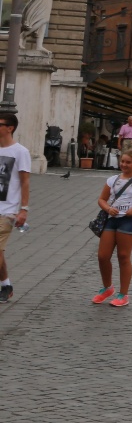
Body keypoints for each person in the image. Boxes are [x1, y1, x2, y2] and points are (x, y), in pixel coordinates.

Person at [92, 150, 132, 308]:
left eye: (128, 162)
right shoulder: (112, 180)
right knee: (103, 255)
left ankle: (124, 294)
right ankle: (108, 288)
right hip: (112, 219)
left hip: (128, 220)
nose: (124, 165)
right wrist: (108, 209)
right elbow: (101, 199)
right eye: (122, 161)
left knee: (123, 256)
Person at [0, 112, 31, 303]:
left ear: (9, 128)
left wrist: (24, 209)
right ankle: (6, 285)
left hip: (6, 211)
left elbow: (25, 182)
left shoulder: (21, 152)